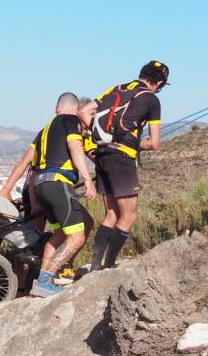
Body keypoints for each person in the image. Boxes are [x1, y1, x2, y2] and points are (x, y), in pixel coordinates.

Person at [78, 60, 168, 271]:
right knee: (129, 215)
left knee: (111, 214)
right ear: (159, 83)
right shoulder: (151, 100)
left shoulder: (116, 88)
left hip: (101, 154)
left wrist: (103, 135)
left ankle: (95, 266)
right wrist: (133, 143)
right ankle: (108, 266)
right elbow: (154, 143)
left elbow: (83, 112)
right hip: (122, 158)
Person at [29, 92, 96, 297]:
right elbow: (75, 147)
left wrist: (34, 202)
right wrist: (87, 179)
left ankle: (42, 279)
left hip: (41, 185)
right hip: (58, 184)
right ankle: (46, 279)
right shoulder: (71, 120)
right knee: (76, 237)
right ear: (75, 109)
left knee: (65, 231)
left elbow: (31, 170)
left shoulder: (44, 131)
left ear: (57, 108)